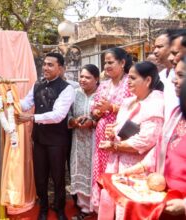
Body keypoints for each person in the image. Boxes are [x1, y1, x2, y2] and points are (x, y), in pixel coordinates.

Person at [98, 61, 165, 219]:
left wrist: (115, 146)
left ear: (147, 80)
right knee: (110, 200)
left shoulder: (155, 104)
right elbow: (119, 128)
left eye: (133, 78)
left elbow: (145, 140)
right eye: (129, 77)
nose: (128, 81)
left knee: (127, 206)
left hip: (136, 165)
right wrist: (112, 132)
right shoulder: (128, 101)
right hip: (116, 161)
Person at [122, 58, 186, 219]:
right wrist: (139, 168)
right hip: (166, 198)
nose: (174, 80)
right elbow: (160, 147)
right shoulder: (177, 113)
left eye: (180, 75)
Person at [18, 52, 75, 220]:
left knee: (58, 178)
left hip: (58, 140)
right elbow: (26, 103)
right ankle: (43, 208)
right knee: (40, 177)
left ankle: (59, 208)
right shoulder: (37, 85)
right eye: (44, 64)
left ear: (61, 68)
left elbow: (58, 115)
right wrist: (9, 99)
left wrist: (32, 118)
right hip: (40, 139)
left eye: (50, 65)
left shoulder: (67, 88)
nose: (45, 68)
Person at [90, 47, 133, 212]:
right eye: (105, 62)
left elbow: (135, 107)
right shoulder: (104, 85)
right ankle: (105, 209)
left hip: (121, 135)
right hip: (102, 135)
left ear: (122, 63)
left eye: (110, 62)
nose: (106, 66)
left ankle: (120, 210)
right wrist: (97, 111)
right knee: (103, 171)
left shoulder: (130, 82)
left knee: (117, 172)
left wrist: (112, 107)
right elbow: (95, 107)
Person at [68, 64, 99, 220]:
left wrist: (92, 123)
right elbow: (68, 115)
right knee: (79, 168)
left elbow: (107, 118)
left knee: (95, 171)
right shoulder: (74, 94)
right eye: (81, 76)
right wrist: (74, 121)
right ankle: (85, 208)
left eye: (88, 77)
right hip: (78, 140)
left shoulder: (101, 94)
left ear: (97, 79)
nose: (83, 80)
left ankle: (99, 207)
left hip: (96, 140)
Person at [153, 33, 178, 120]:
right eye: (155, 47)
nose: (155, 51)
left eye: (159, 47)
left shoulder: (181, 76)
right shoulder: (160, 76)